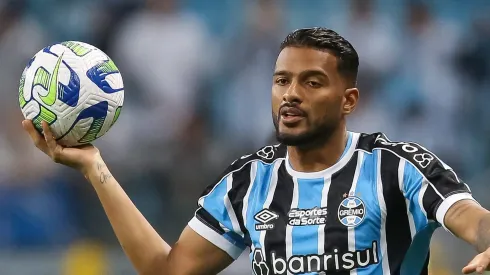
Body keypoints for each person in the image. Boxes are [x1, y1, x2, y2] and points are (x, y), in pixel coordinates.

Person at [22, 27, 490, 275]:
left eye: (312, 82)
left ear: (349, 100)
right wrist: (94, 167)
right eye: (282, 80)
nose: (291, 94)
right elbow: (170, 271)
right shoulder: (248, 183)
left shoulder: (397, 167)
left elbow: (474, 220)